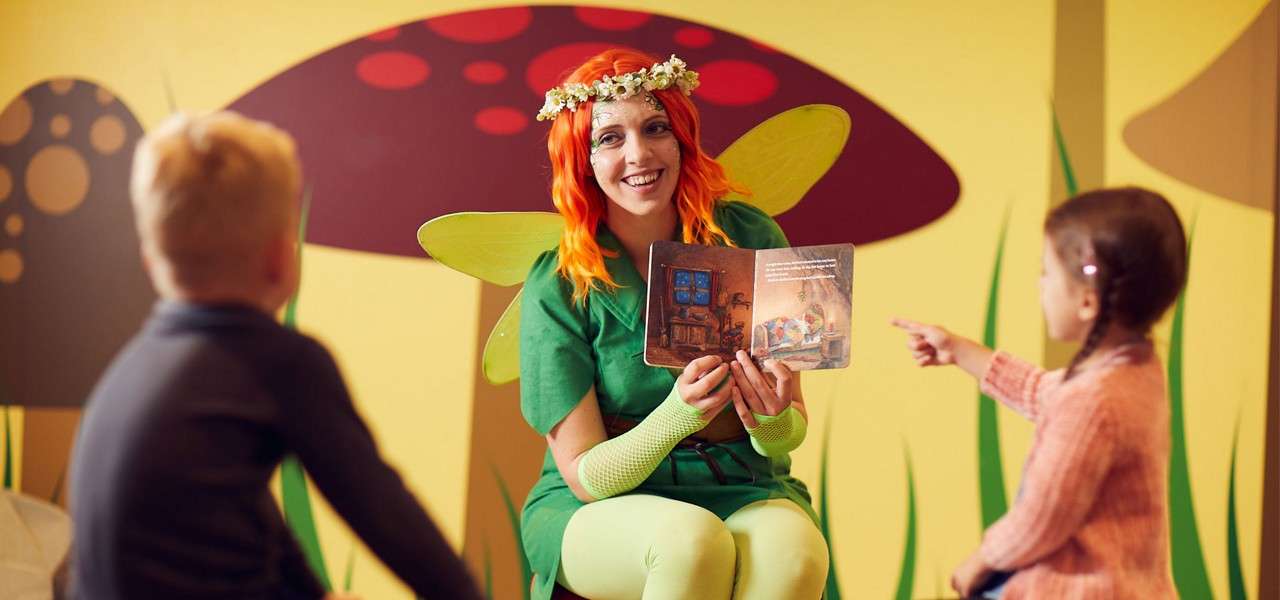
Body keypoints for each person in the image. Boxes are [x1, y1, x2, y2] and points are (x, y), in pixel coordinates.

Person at [68, 111, 482, 600]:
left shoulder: (135, 362)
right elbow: (385, 514)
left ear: (152, 262)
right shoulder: (281, 363)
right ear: (280, 257)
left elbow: (242, 512)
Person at [520, 49, 829, 600]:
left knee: (796, 553)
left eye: (655, 127)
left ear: (682, 137)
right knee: (690, 543)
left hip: (743, 484)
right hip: (596, 505)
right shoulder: (559, 283)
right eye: (609, 138)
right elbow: (587, 478)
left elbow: (792, 430)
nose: (638, 154)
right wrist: (678, 416)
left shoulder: (750, 237)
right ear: (581, 159)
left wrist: (770, 420)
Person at [892, 187, 1185, 598]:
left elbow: (1043, 516)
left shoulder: (1094, 402)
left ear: (1086, 300)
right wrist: (958, 350)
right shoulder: (1135, 372)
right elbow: (1040, 391)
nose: (1039, 285)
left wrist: (981, 560)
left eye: (1046, 273)